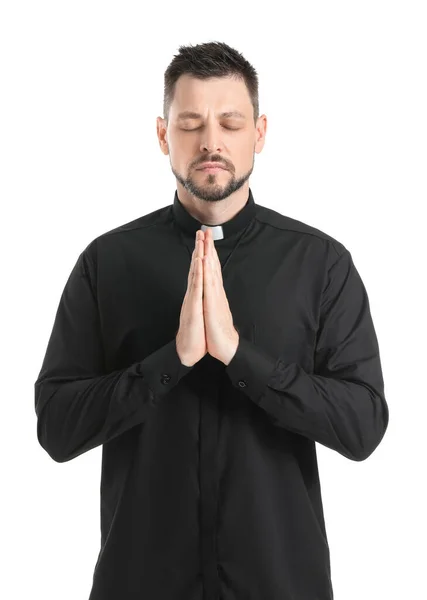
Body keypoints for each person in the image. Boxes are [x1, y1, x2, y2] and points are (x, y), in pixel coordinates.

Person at [34, 41, 389, 600]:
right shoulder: (106, 263)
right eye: (191, 123)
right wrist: (169, 361)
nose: (211, 142)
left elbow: (364, 425)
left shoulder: (321, 264)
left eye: (230, 121)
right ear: (162, 134)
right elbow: (55, 427)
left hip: (280, 586)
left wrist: (239, 355)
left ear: (261, 132)